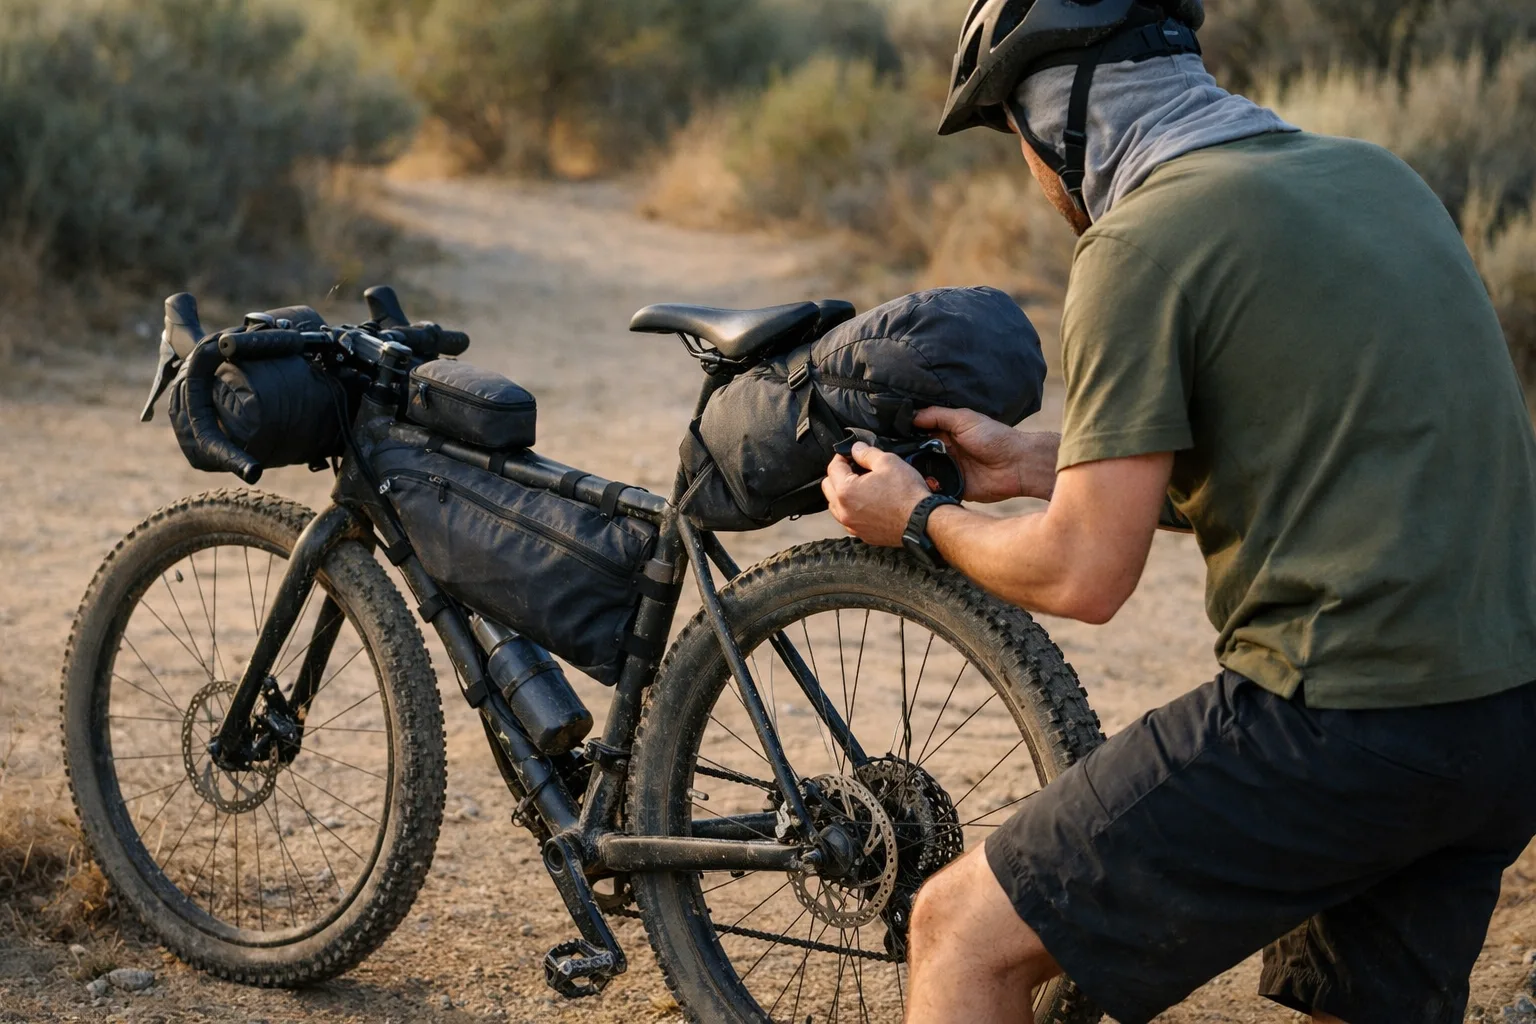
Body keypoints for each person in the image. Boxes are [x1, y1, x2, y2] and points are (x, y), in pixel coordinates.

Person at [819, 2, 1536, 1023]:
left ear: (1059, 122)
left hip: (1343, 720)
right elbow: (1313, 455)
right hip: (1504, 718)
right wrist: (1034, 463)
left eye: (1017, 138)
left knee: (959, 934)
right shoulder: (1379, 177)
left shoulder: (1141, 243)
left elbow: (1083, 575)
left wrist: (918, 519)